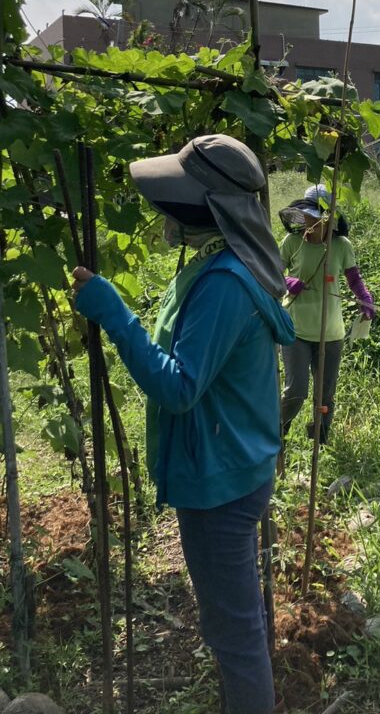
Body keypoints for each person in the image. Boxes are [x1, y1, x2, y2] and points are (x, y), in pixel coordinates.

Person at [72, 134, 294, 714]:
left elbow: (179, 387)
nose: (167, 208)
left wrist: (114, 313)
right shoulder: (222, 264)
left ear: (212, 208)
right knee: (230, 622)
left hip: (221, 480)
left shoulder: (224, 283)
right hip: (227, 464)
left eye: (180, 196)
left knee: (235, 634)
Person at [278, 185, 374, 444]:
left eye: (315, 219)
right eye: (306, 217)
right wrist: (289, 281)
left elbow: (354, 279)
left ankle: (319, 438)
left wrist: (365, 299)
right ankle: (277, 430)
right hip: (295, 331)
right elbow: (270, 273)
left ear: (328, 219)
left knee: (325, 396)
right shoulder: (292, 242)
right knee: (296, 391)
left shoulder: (341, 246)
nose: (309, 223)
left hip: (330, 334)